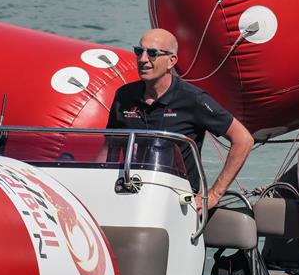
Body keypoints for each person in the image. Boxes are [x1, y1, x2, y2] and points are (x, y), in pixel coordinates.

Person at [106, 28, 254, 212]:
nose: (143, 59)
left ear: (171, 61)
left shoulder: (193, 99)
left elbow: (243, 140)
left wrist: (214, 194)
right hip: (130, 193)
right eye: (139, 51)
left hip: (176, 201)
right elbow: (109, 149)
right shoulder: (124, 95)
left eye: (152, 53)